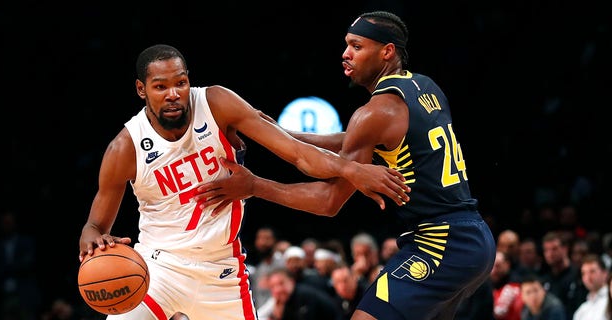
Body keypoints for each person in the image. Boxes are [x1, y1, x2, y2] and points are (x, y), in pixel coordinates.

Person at [194, 10, 496, 320]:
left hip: (440, 242)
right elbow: (352, 139)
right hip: (473, 236)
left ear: (387, 51)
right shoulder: (424, 88)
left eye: (356, 46)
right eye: (346, 45)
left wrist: (255, 185)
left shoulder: (373, 114)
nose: (345, 54)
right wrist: (285, 135)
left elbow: (328, 202)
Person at [77, 44, 410, 320]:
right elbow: (94, 224)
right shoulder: (125, 147)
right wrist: (92, 241)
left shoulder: (217, 103)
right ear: (141, 89)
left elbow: (296, 152)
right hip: (159, 268)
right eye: (160, 87)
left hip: (222, 270)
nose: (173, 94)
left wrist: (353, 170)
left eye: (180, 83)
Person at [572, 254, 609, 320]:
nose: (587, 277)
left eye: (592, 272)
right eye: (584, 273)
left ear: (605, 273)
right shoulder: (582, 310)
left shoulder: (609, 301)